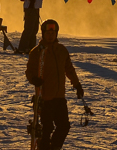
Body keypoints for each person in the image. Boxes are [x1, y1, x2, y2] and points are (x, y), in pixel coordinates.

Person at [26, 20, 83, 150]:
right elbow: (29, 71)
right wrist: (34, 79)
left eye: (53, 33)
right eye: (48, 33)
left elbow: (69, 69)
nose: (51, 35)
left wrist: (77, 85)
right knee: (47, 129)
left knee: (64, 126)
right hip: (45, 97)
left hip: (59, 97)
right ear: (43, 34)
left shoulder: (61, 50)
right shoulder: (37, 52)